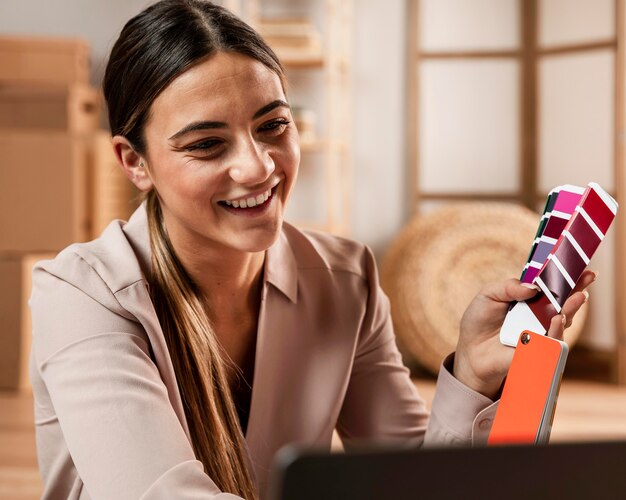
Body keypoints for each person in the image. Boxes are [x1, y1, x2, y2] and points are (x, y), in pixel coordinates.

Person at [29, 1, 594, 499]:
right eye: (206, 144)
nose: (258, 167)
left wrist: (472, 374)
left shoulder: (345, 279)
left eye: (273, 125)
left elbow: (414, 484)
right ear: (134, 161)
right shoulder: (81, 295)